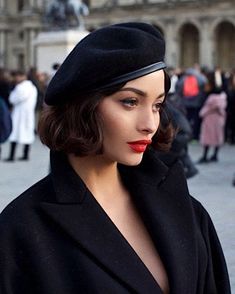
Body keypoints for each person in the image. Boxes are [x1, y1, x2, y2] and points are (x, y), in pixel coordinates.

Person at [0, 22, 231, 293]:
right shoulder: (21, 231)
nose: (150, 123)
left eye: (157, 105)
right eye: (130, 102)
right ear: (83, 106)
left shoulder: (189, 211)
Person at [4, 70, 38, 161]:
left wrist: (12, 95)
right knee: (27, 134)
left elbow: (13, 99)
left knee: (14, 134)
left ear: (23, 76)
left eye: (18, 76)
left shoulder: (21, 87)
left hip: (19, 115)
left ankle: (12, 156)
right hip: (28, 114)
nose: (16, 78)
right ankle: (25, 155)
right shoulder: (32, 87)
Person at [197, 72, 227, 163]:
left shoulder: (211, 98)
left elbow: (206, 110)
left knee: (207, 138)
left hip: (209, 119)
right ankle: (215, 155)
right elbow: (222, 109)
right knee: (217, 137)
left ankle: (205, 156)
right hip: (218, 119)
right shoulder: (222, 97)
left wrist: (201, 113)